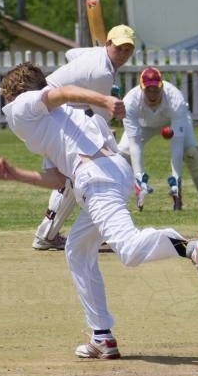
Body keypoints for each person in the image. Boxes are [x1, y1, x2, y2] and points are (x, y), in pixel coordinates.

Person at [0, 62, 198, 360]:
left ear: (14, 92)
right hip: (107, 173)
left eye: (6, 97)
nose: (6, 104)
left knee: (129, 250)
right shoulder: (63, 121)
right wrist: (17, 175)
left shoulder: (24, 105)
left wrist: (103, 100)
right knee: (77, 250)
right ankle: (101, 336)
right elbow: (59, 180)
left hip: (96, 179)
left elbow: (59, 92)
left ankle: (191, 247)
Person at [32, 24, 137, 251]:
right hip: (52, 114)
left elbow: (72, 55)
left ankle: (47, 233)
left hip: (51, 110)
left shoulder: (95, 56)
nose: (123, 54)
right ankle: (49, 235)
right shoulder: (102, 73)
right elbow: (99, 119)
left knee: (71, 175)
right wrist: (110, 123)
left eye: (128, 50)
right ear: (108, 44)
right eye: (119, 48)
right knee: (78, 173)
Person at [118, 66, 198, 212]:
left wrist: (176, 179)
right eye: (148, 90)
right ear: (141, 88)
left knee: (193, 152)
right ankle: (115, 201)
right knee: (122, 155)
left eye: (156, 89)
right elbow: (135, 144)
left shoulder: (175, 99)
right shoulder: (130, 102)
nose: (152, 94)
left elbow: (177, 145)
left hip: (171, 122)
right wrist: (139, 177)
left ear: (162, 86)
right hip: (143, 125)